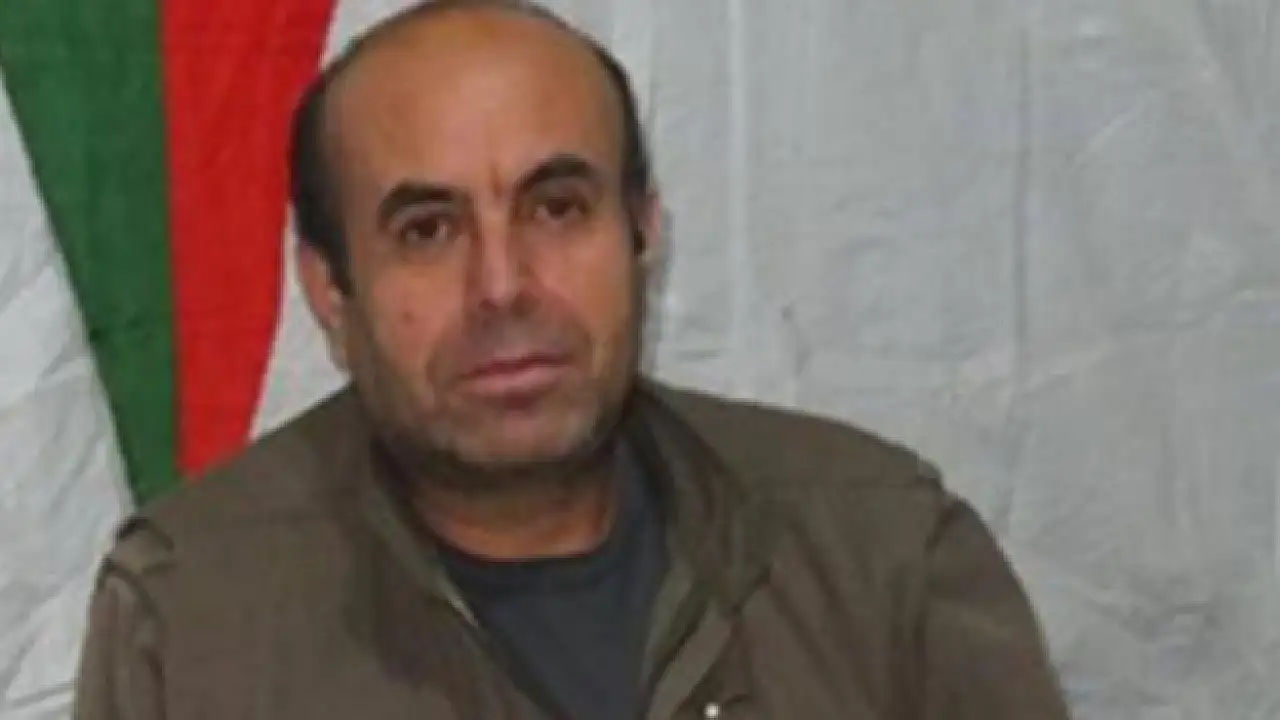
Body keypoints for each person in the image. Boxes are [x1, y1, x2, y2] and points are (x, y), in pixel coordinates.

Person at [73, 1, 1072, 718]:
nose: (502, 284)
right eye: (427, 230)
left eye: (557, 209)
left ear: (642, 235)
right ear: (331, 290)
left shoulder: (882, 554)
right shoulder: (194, 613)